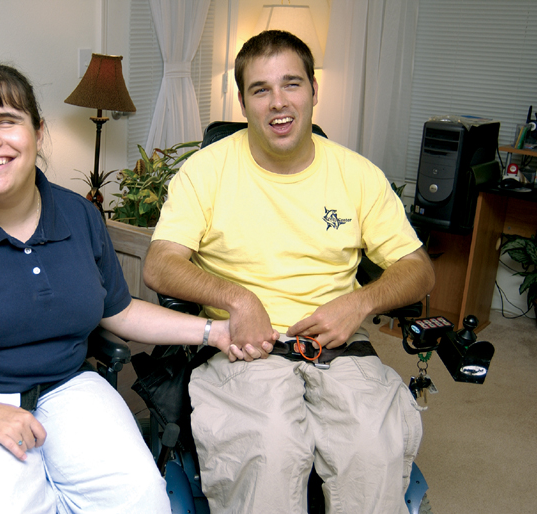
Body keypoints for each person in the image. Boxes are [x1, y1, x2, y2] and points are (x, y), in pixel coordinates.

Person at [0, 62, 251, 514]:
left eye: (7, 120)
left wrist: (211, 332)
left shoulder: (78, 215)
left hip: (64, 387)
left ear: (38, 132)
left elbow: (117, 311)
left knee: (142, 501)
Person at [143, 31, 436, 514]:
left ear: (314, 90)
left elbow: (418, 268)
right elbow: (161, 262)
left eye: (291, 84)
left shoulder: (358, 174)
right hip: (247, 354)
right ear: (243, 100)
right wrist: (238, 299)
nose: (278, 103)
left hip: (341, 350)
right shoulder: (205, 170)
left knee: (370, 448)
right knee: (270, 450)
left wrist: (360, 302)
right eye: (261, 89)